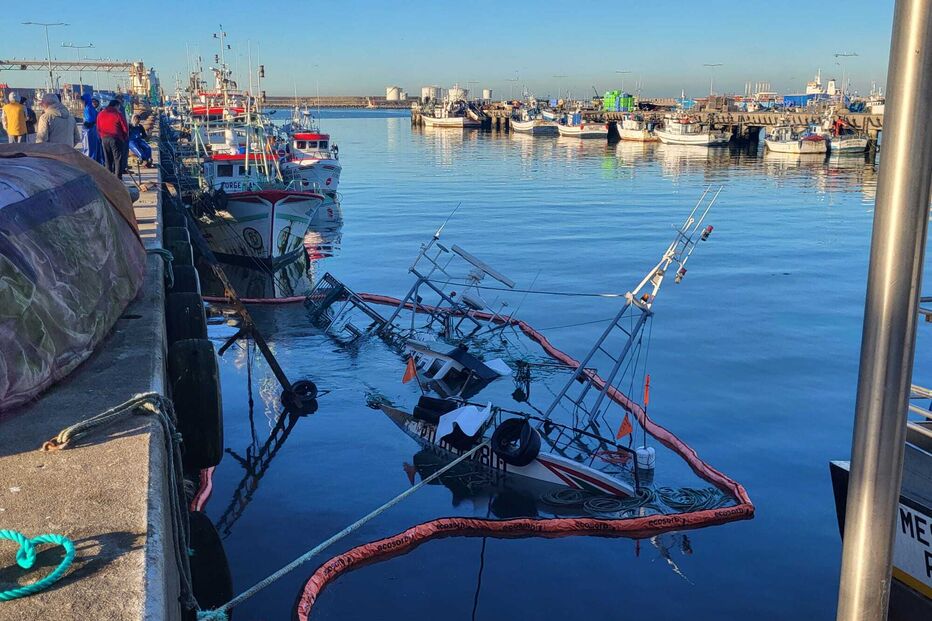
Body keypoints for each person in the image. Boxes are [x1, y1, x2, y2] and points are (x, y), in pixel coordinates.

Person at [96, 99, 128, 178]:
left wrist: (102, 137)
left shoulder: (100, 114)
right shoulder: (117, 114)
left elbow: (98, 127)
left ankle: (109, 180)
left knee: (107, 159)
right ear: (116, 106)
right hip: (116, 138)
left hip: (104, 138)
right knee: (117, 159)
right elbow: (125, 128)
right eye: (118, 107)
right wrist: (123, 138)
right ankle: (118, 179)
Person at [80, 93, 105, 164]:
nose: (81, 103)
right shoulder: (91, 108)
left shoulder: (88, 108)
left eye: (82, 101)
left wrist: (85, 125)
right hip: (93, 131)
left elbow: (90, 120)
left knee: (89, 149)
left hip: (88, 132)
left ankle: (89, 165)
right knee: (94, 149)